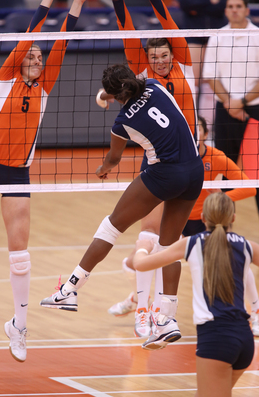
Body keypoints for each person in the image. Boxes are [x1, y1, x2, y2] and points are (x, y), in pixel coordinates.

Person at [0, 0, 100, 363]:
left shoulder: (46, 85)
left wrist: (77, 3)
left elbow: (61, 43)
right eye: (32, 56)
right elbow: (31, 36)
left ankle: (19, 327)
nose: (37, 58)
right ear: (21, 61)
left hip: (19, 172)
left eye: (40, 57)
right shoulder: (7, 77)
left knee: (20, 256)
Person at [40, 64, 204, 349]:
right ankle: (166, 320)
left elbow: (114, 159)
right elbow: (131, 87)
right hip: (194, 171)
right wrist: (107, 94)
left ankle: (70, 290)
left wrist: (103, 168)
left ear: (117, 95)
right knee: (168, 247)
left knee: (111, 226)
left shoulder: (123, 122)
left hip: (165, 173)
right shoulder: (154, 85)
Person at [97, 0, 198, 338]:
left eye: (162, 55)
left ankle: (155, 308)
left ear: (173, 55)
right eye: (153, 57)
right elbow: (128, 37)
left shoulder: (183, 64)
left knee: (181, 243)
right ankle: (144, 313)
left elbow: (171, 29)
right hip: (159, 164)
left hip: (192, 164)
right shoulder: (143, 80)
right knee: (149, 237)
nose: (158, 61)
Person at [108, 115, 259, 337]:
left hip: (204, 222)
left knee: (237, 259)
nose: (192, 134)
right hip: (175, 219)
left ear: (205, 135)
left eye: (197, 130)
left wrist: (218, 200)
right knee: (132, 264)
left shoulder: (216, 157)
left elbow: (250, 187)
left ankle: (255, 312)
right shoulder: (170, 155)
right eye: (188, 129)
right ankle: (137, 300)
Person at [133, 192, 258, 397]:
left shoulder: (192, 243)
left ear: (202, 218)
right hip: (245, 339)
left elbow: (141, 265)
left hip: (216, 340)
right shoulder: (247, 245)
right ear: (233, 217)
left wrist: (142, 248)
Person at [202, 0, 259, 211]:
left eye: (238, 6)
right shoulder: (217, 36)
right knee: (227, 169)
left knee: (257, 170)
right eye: (230, 6)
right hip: (226, 111)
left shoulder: (257, 35)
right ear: (225, 11)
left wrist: (241, 102)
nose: (234, 10)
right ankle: (222, 226)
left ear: (246, 10)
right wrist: (230, 103)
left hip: (254, 110)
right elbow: (211, 76)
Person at [173, 0, 230, 99]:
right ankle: (192, 121)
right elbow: (184, 3)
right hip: (192, 32)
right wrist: (210, 1)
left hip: (217, 33)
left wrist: (196, 5)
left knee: (213, 81)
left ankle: (209, 122)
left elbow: (224, 3)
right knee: (192, 82)